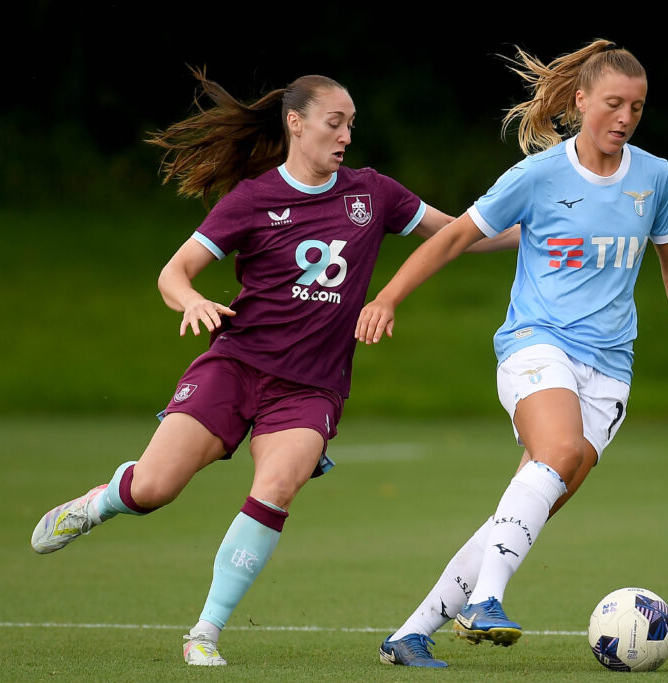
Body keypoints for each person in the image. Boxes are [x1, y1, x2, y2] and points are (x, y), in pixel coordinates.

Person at [29, 66, 517, 667]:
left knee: (276, 489)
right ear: (296, 123)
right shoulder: (252, 199)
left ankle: (204, 631)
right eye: (334, 123)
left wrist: (540, 229)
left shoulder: (373, 194)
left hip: (312, 388)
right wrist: (193, 301)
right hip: (235, 366)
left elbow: (461, 234)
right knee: (153, 489)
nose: (345, 136)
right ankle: (99, 502)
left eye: (351, 125)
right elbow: (172, 273)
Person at [356, 40, 668, 668]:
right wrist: (388, 296)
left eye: (636, 107)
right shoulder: (538, 175)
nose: (625, 118)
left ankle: (410, 635)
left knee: (524, 511)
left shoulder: (655, 177)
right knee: (558, 451)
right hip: (536, 343)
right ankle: (486, 601)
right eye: (613, 103)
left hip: (610, 371)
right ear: (580, 101)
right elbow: (455, 238)